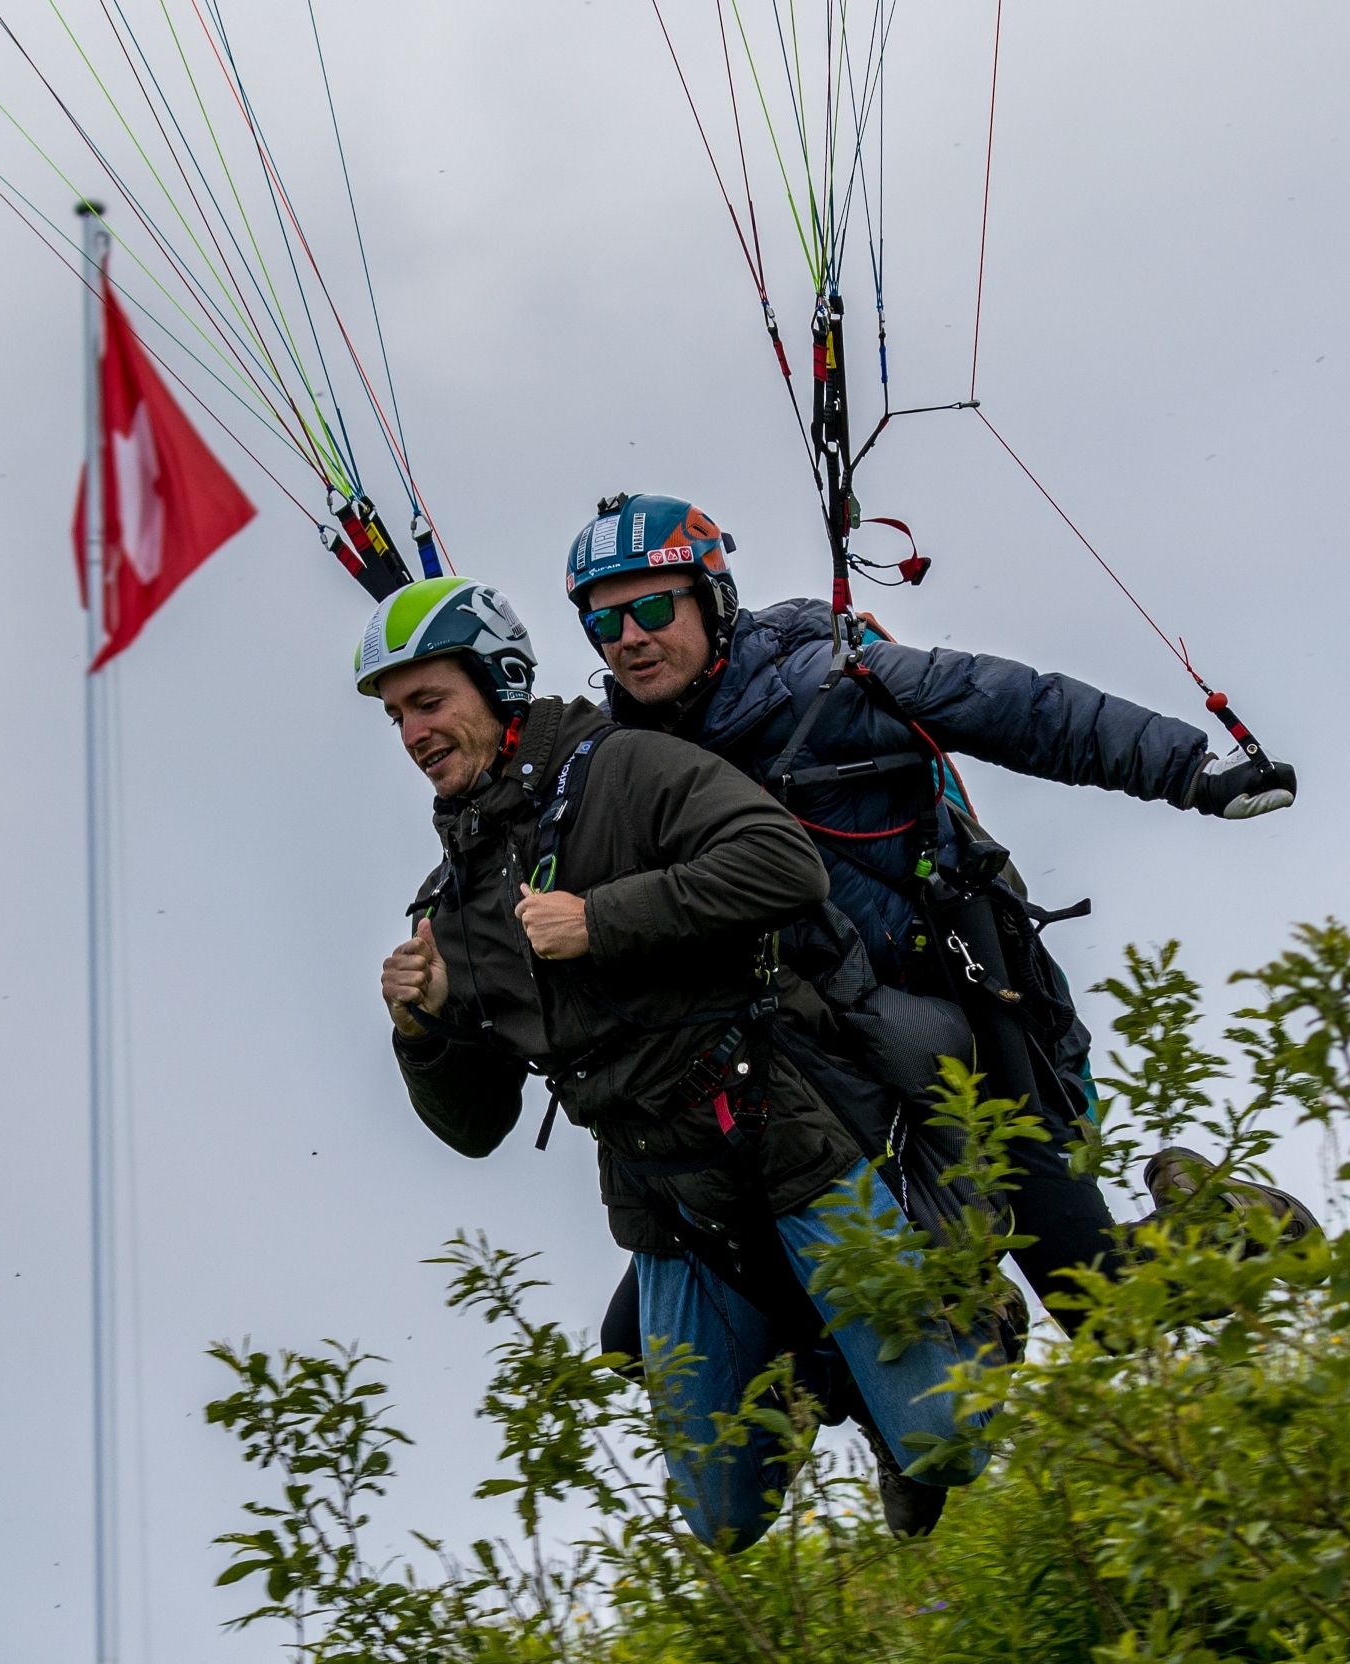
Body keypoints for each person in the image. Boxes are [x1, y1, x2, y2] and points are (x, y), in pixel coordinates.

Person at [559, 492, 1314, 1337]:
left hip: (955, 993)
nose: (628, 639)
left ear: (711, 597)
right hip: (806, 1053)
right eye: (604, 625)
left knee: (1096, 1298)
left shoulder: (827, 673)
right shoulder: (617, 764)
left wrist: (1191, 770)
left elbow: (1016, 707)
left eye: (652, 608)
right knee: (651, 1337)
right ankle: (961, 1336)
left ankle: (1236, 1224)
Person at [358, 573, 996, 1547]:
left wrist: (602, 919)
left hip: (789, 1147)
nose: (411, 734)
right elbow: (477, 1126)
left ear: (497, 683)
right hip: (667, 1205)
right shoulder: (453, 902)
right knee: (721, 1521)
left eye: (429, 702)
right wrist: (427, 1030)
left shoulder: (624, 768)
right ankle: (806, 1368)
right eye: (397, 715)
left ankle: (973, 1323)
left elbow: (783, 864)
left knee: (945, 1441)